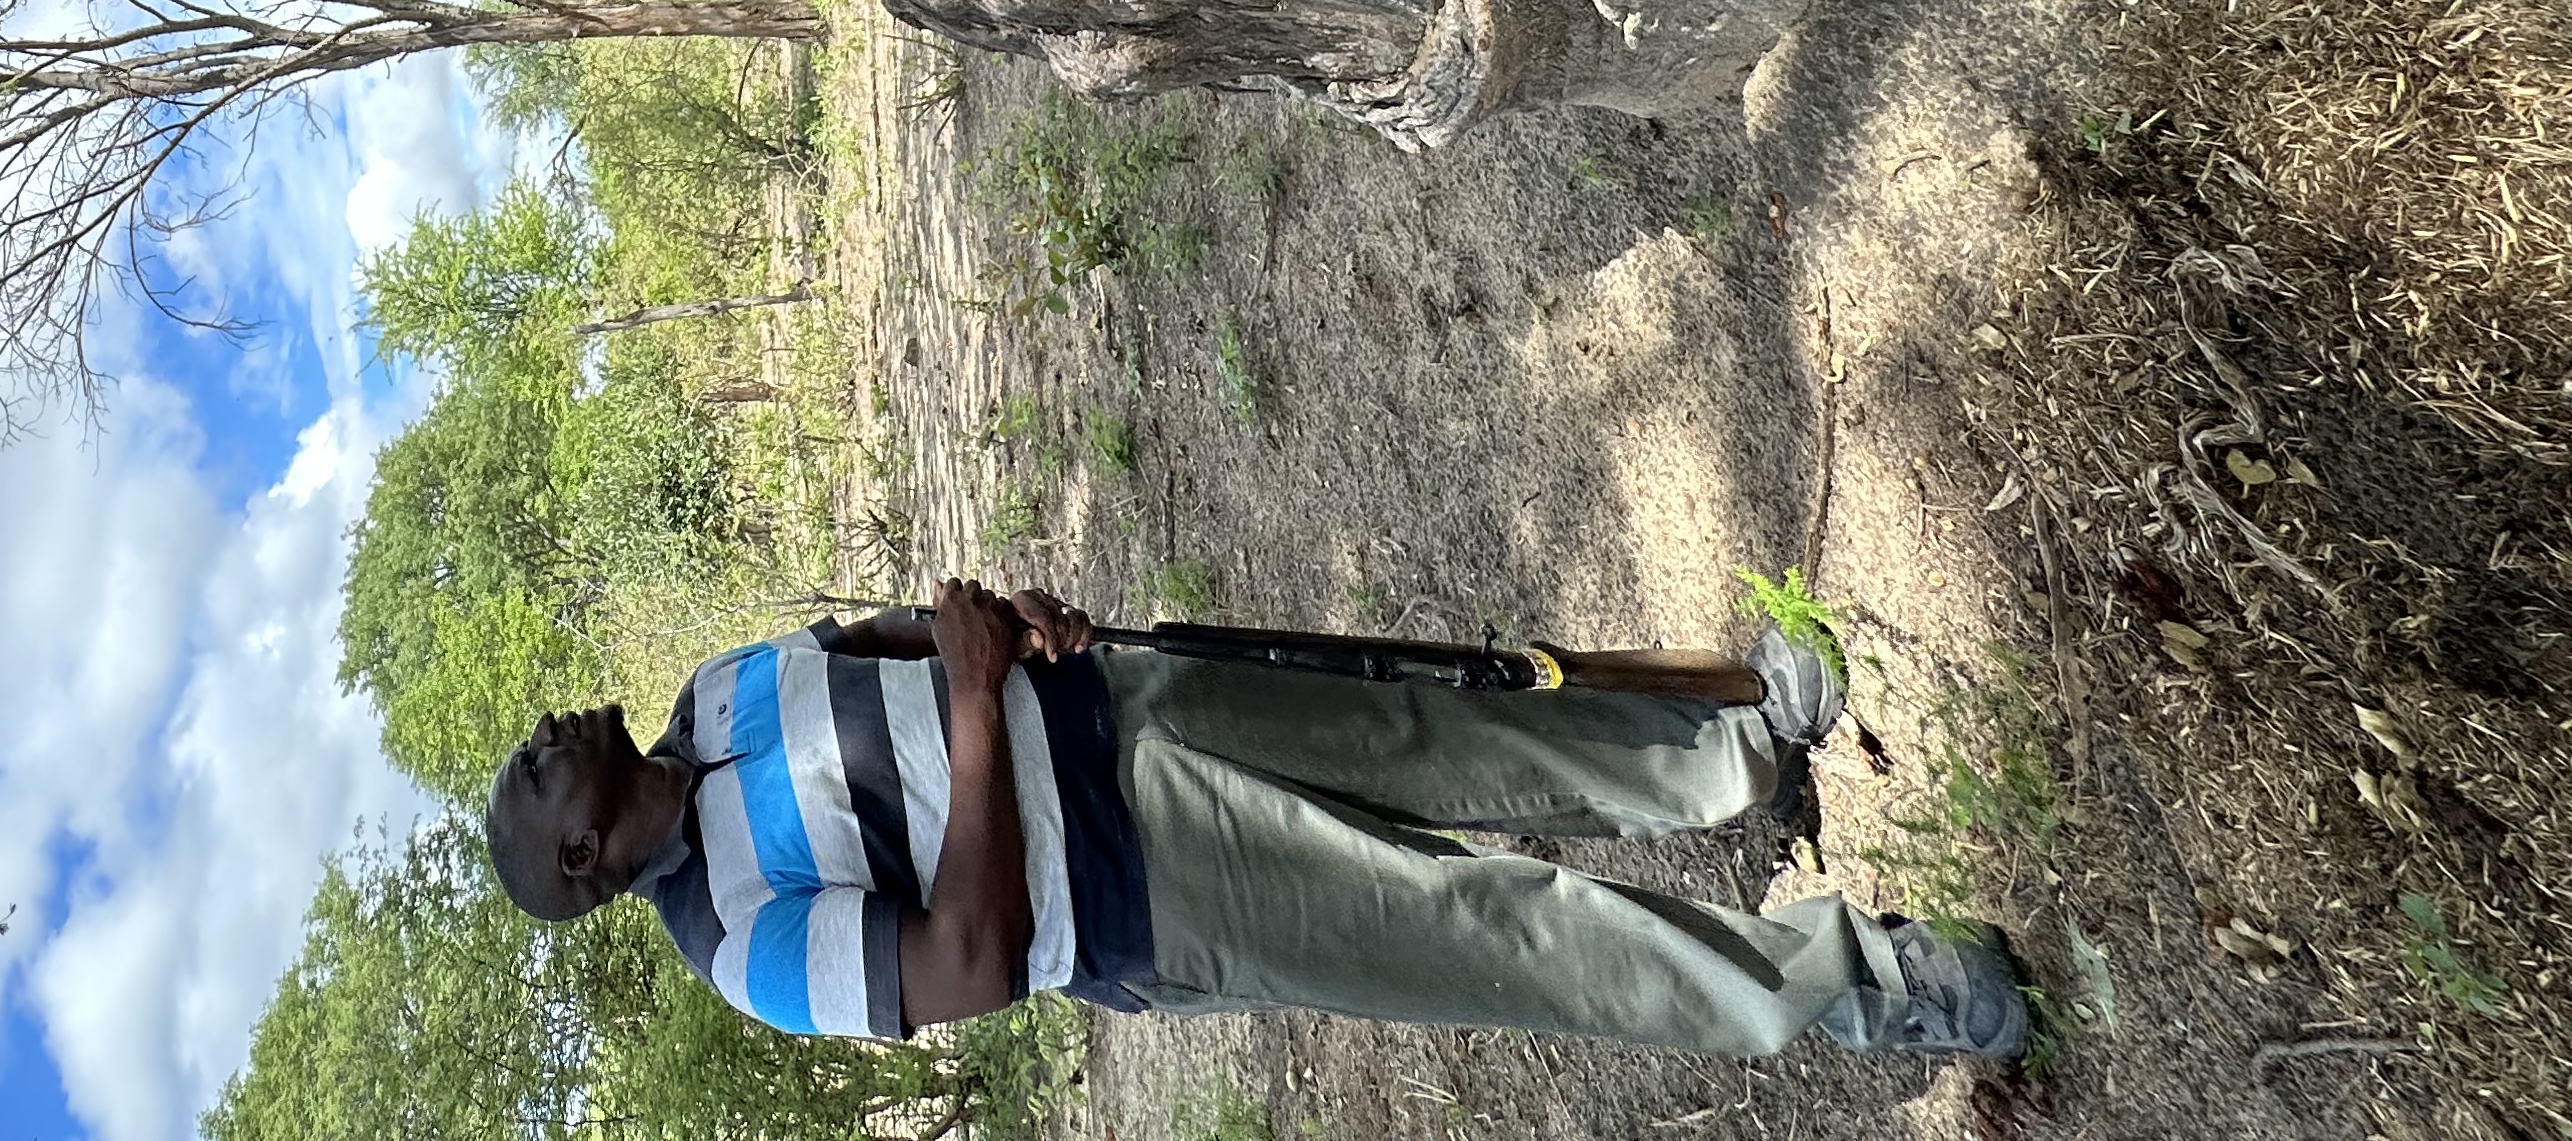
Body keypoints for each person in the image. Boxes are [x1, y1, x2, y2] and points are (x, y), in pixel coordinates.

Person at [483, 578, 2028, 1066]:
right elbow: (968, 958)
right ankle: (1849, 993)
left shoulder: (712, 694)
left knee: (1455, 729)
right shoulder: (737, 944)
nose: (545, 737)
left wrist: (997, 628)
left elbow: (899, 637)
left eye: (530, 743)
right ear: (579, 857)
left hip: (1131, 706)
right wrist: (969, 707)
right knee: (1484, 930)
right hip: (1157, 893)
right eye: (534, 775)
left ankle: (1734, 748)